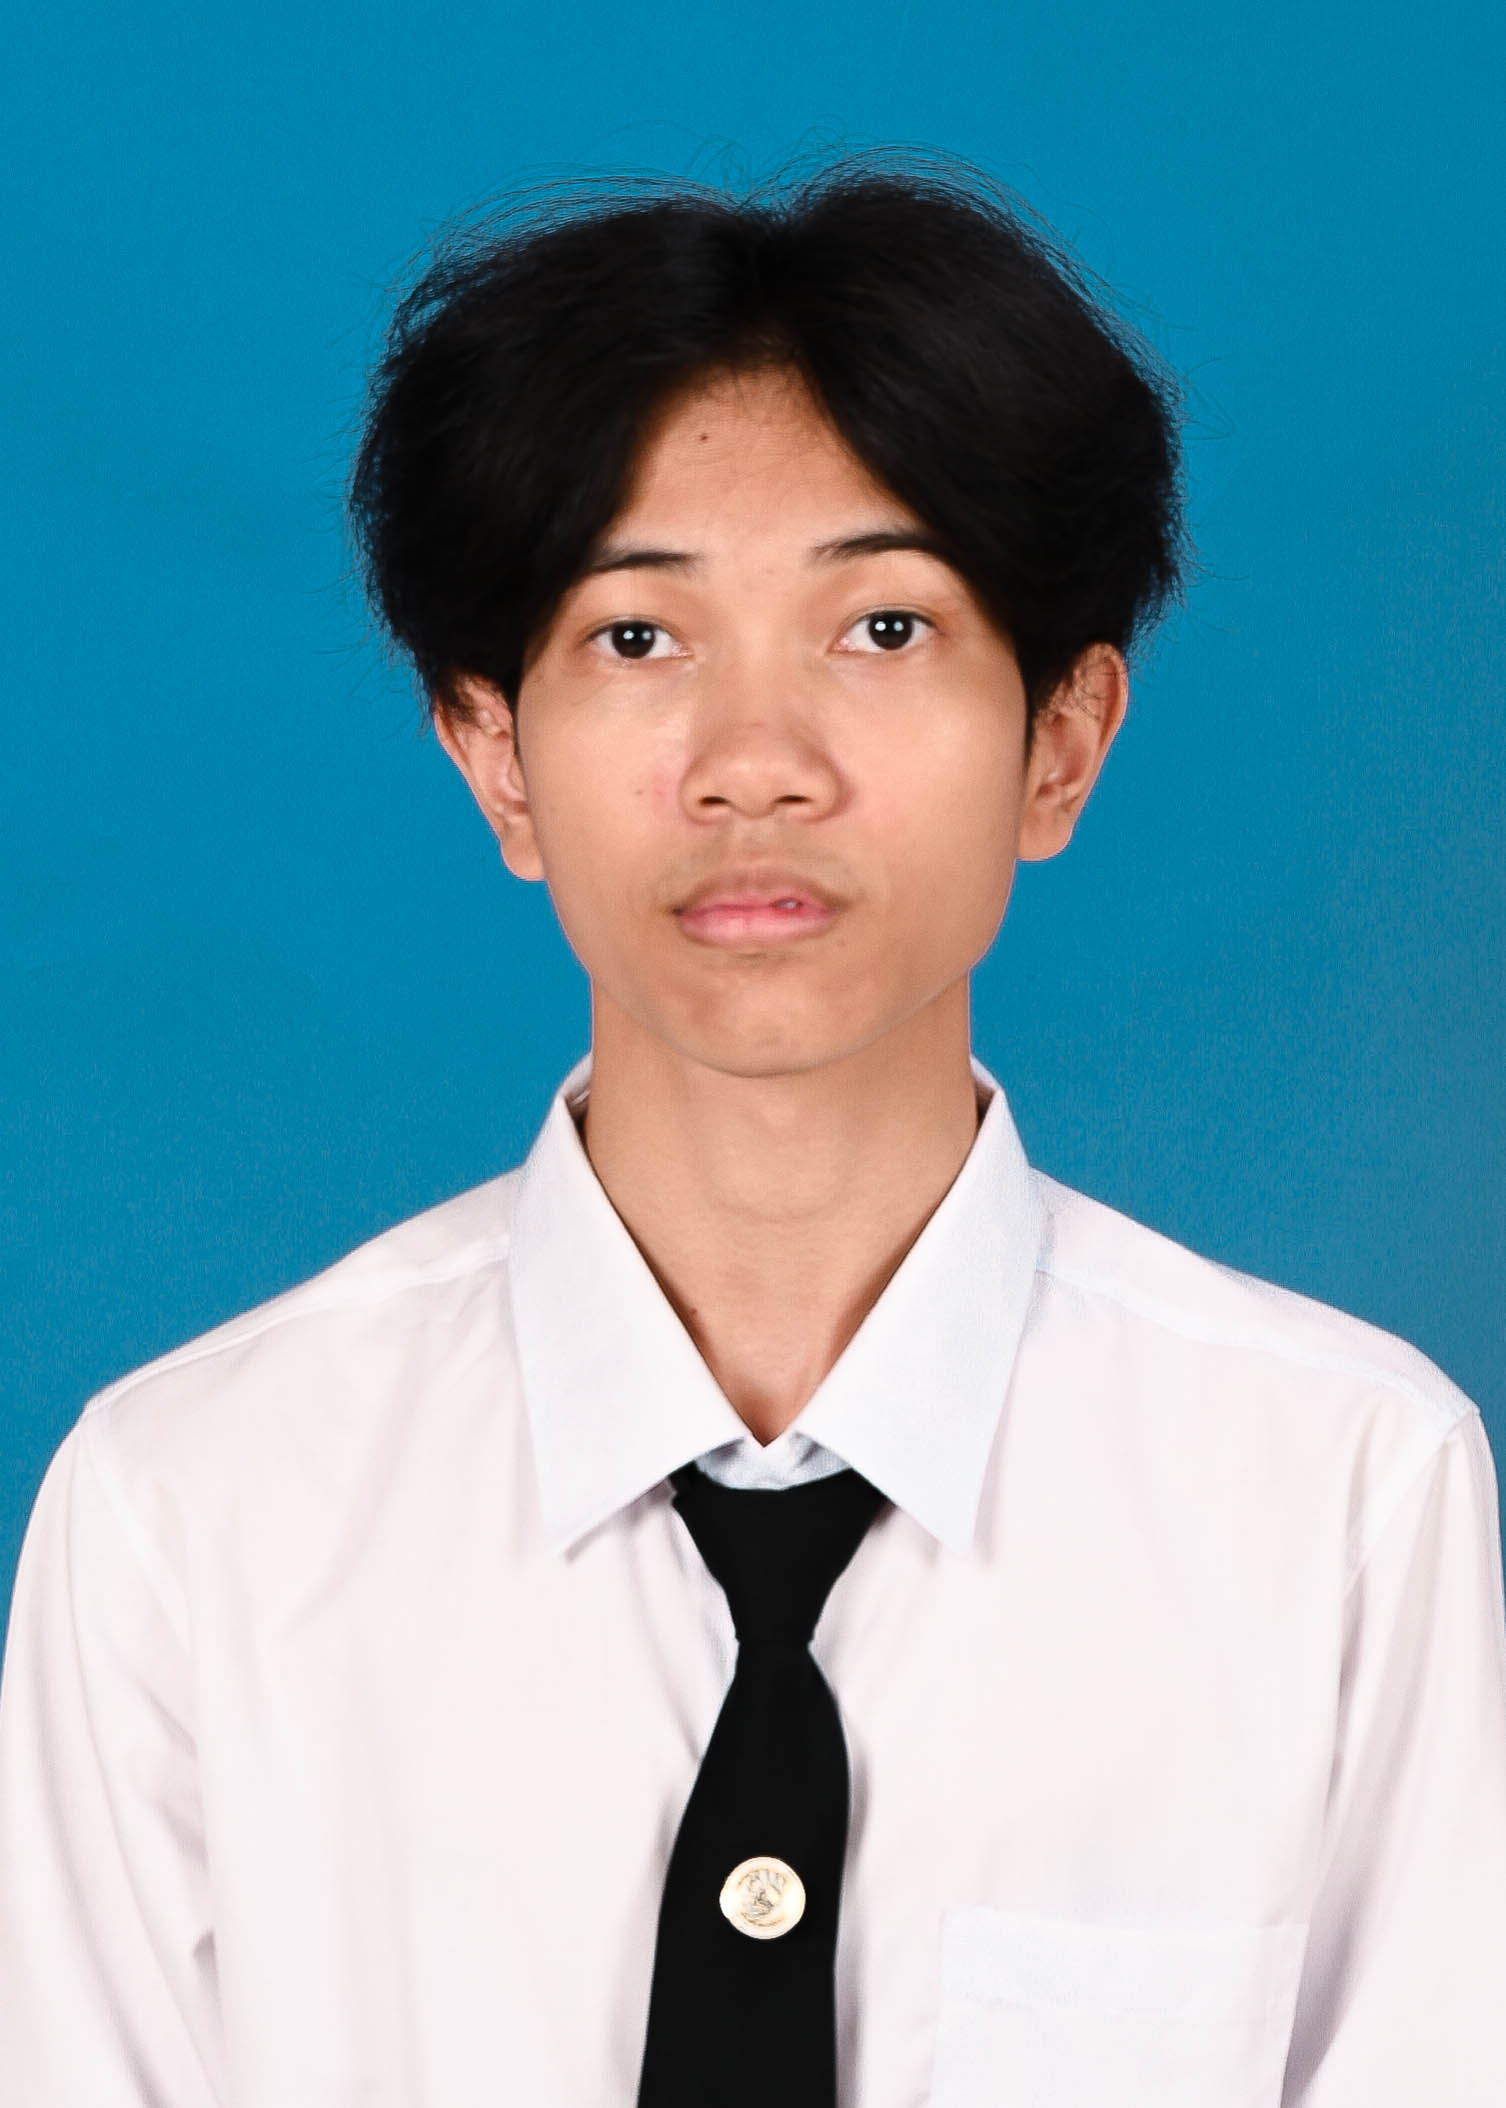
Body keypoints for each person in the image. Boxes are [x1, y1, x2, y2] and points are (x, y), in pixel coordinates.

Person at [1, 153, 1503, 2108]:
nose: (756, 766)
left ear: (1060, 741)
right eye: (639, 637)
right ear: (494, 754)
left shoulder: (1341, 1498)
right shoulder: (191, 1517)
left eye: (882, 628)